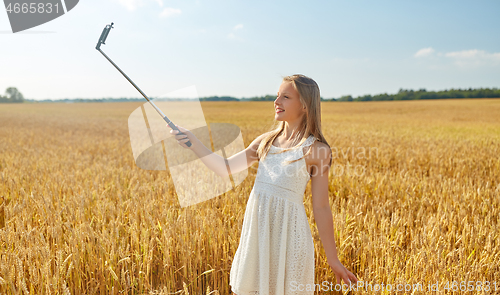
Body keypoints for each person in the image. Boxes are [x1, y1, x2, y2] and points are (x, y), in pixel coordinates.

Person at [168, 74, 358, 294]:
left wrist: (333, 260)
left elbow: (322, 207)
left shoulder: (317, 150)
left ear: (305, 105)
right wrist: (194, 142)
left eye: (285, 97)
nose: (276, 102)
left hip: (289, 237)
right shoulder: (265, 141)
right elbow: (225, 167)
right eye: (277, 96)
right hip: (258, 235)